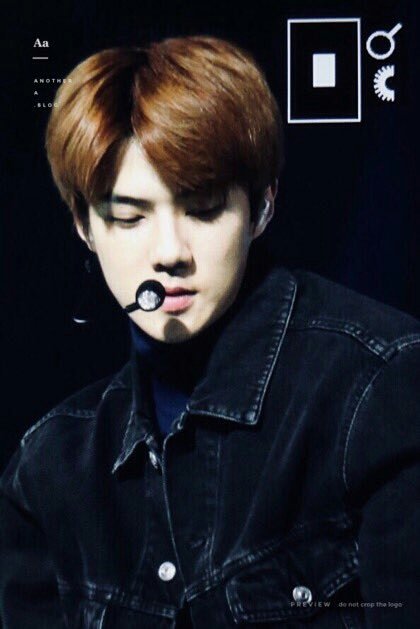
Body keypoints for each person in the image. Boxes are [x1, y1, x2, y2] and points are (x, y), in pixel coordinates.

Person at [0, 35, 419, 629]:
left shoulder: (380, 389)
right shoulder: (45, 473)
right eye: (129, 217)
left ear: (262, 206)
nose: (169, 252)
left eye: (203, 209)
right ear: (85, 227)